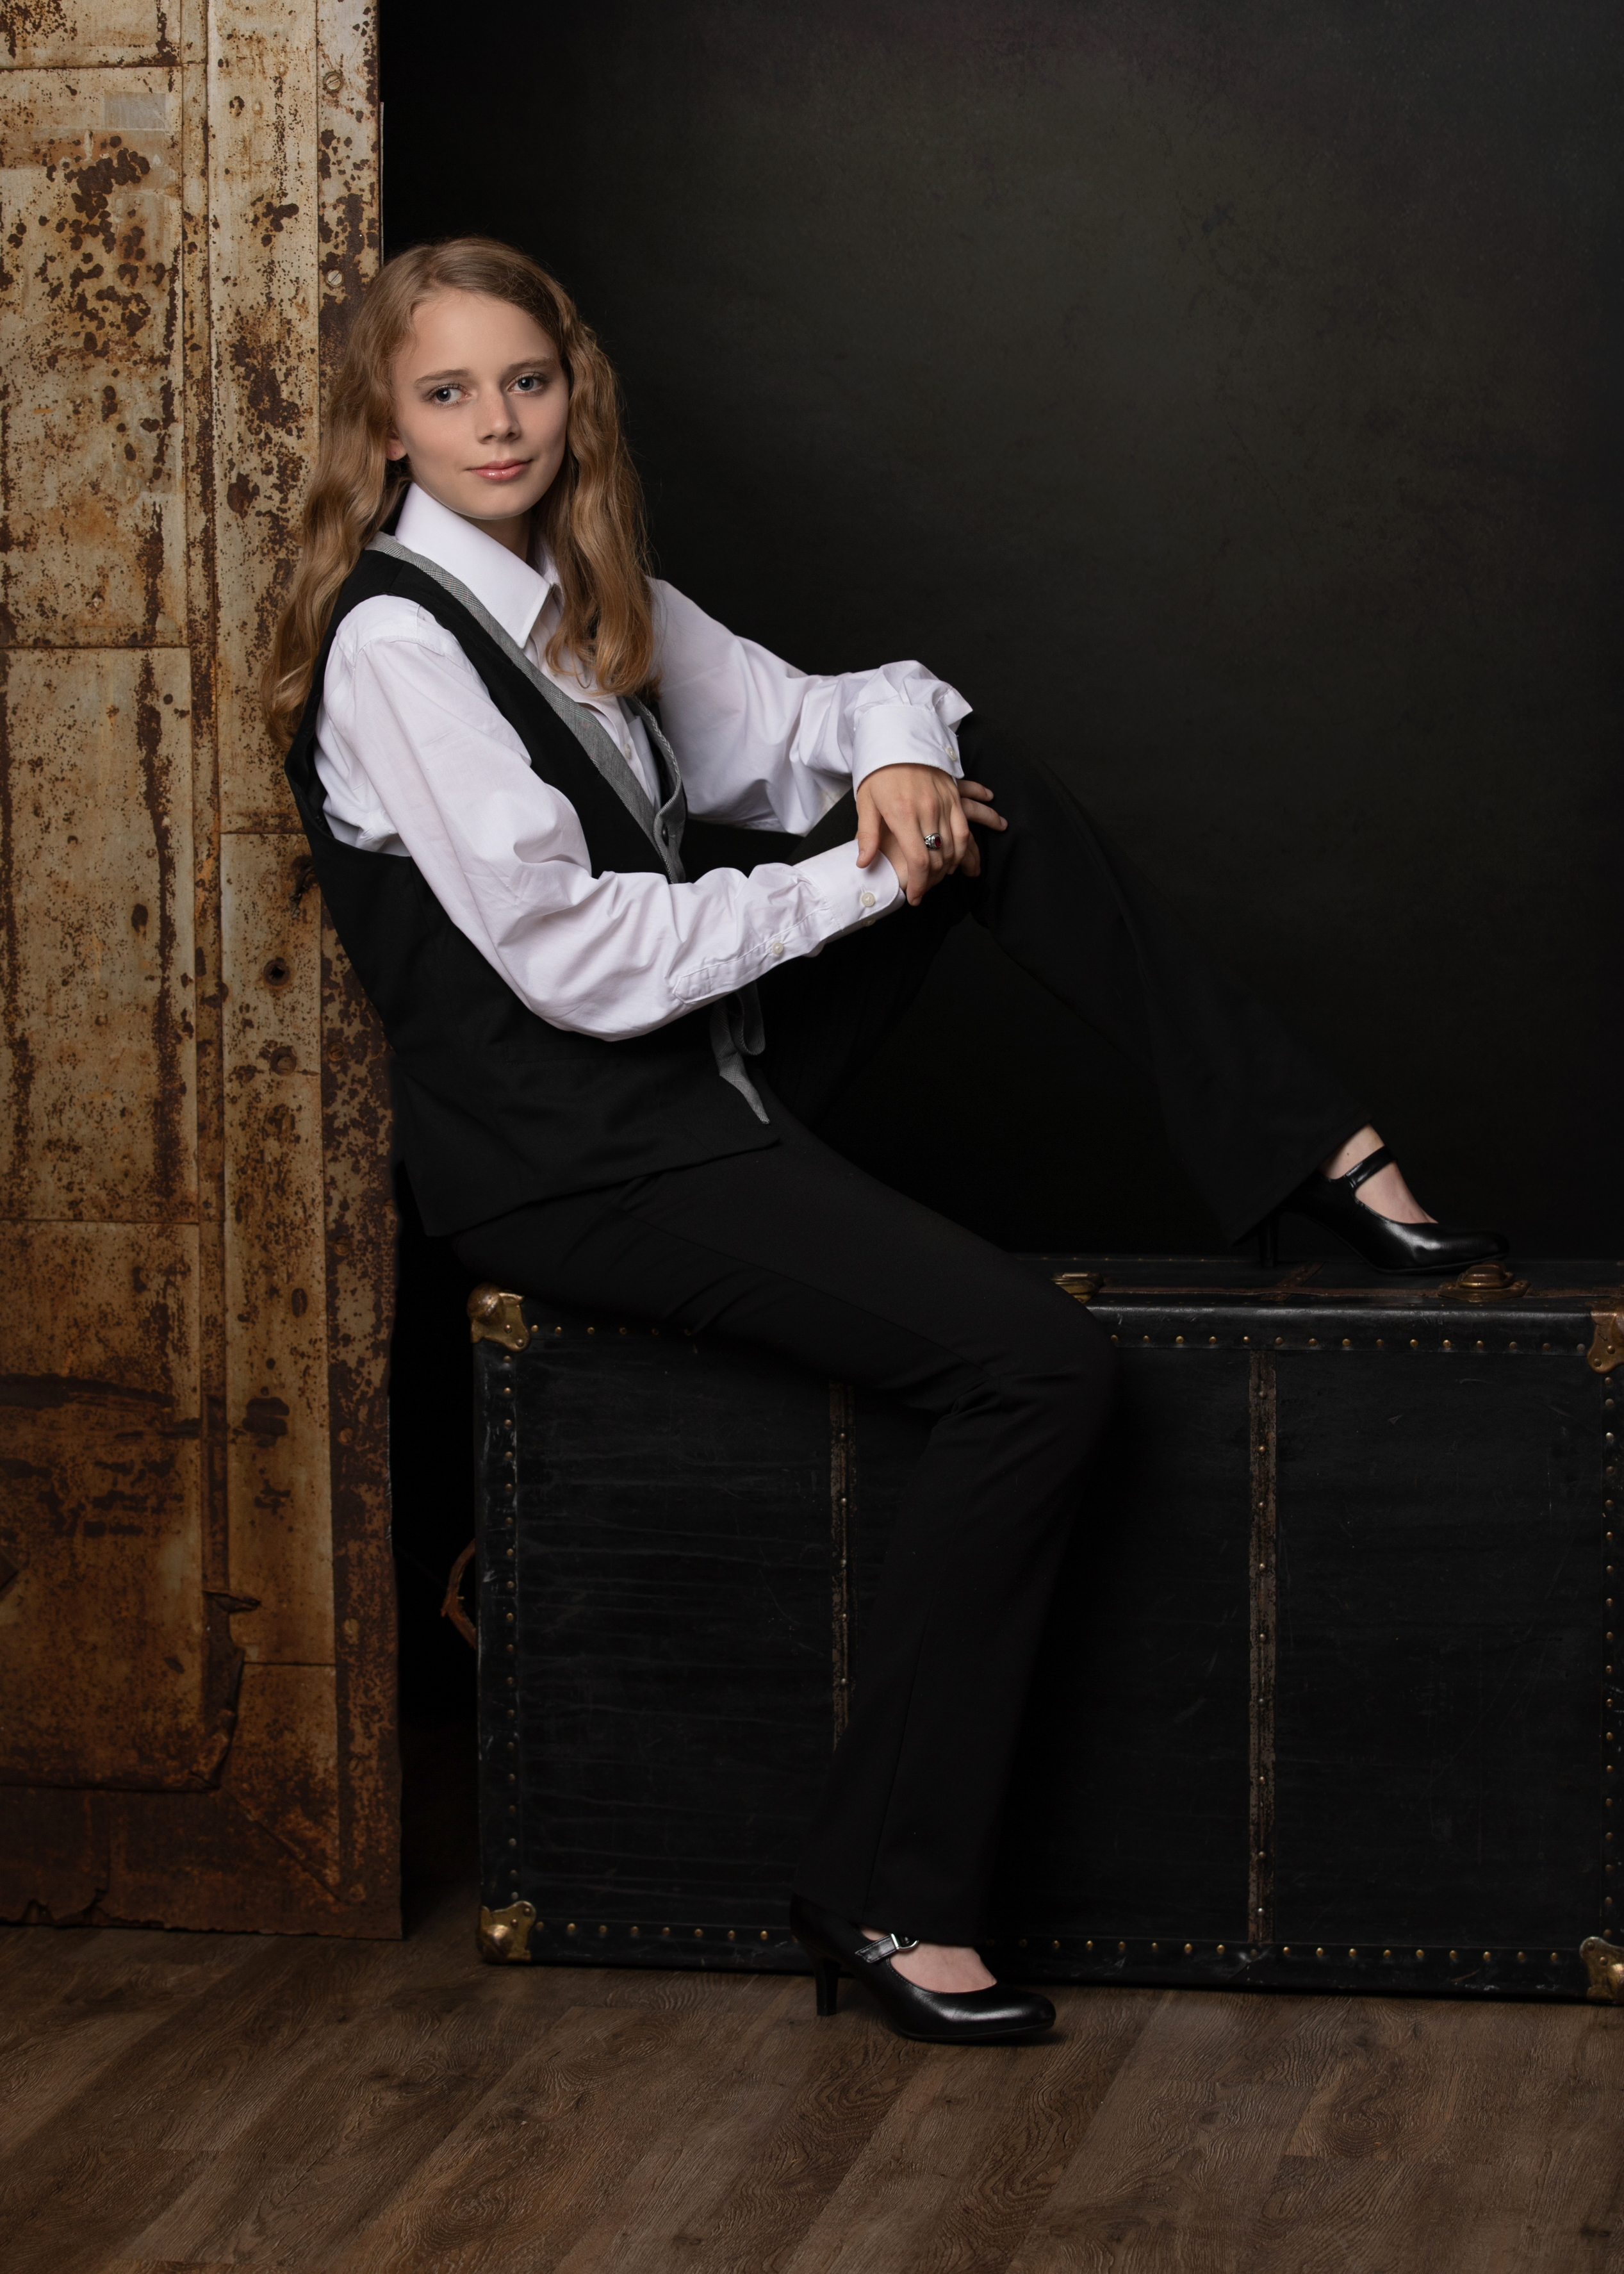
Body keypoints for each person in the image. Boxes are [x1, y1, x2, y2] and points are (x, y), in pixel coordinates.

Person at [265, 237, 1505, 2046]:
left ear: (574, 390)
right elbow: (575, 965)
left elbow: (840, 711)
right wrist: (862, 869)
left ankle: (1314, 1149)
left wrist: (899, 774)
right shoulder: (398, 641)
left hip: (700, 1079)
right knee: (1039, 1373)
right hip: (578, 1159)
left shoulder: (590, 591)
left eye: (526, 380)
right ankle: (887, 1888)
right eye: (448, 393)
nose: (498, 422)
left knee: (980, 795)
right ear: (387, 425)